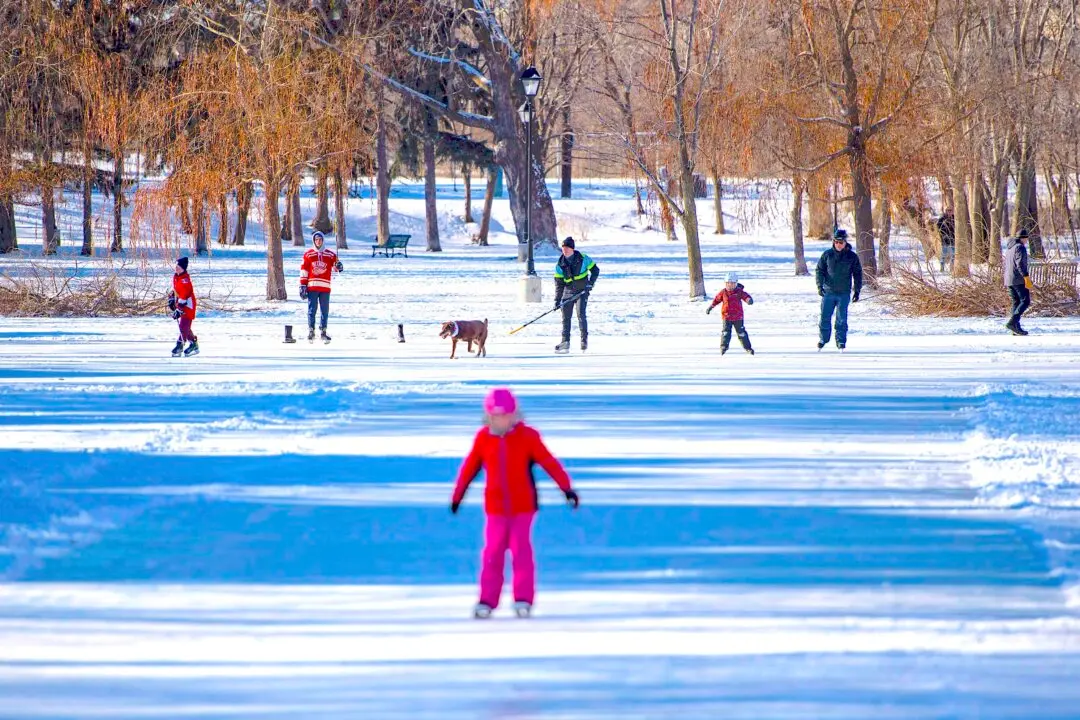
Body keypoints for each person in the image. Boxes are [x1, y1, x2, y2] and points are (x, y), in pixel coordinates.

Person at [450, 388, 580, 619]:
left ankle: (523, 599)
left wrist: (566, 488)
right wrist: (458, 495)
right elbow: (469, 468)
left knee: (521, 552)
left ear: (514, 414)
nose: (500, 421)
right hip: (495, 508)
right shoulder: (483, 438)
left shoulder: (528, 437)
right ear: (488, 415)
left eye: (505, 416)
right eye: (495, 416)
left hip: (523, 507)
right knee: (492, 553)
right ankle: (487, 600)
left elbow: (549, 463)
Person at [816, 227, 863, 351]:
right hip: (828, 292)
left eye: (841, 242)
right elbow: (819, 271)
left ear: (845, 243)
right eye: (836, 241)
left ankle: (841, 341)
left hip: (843, 293)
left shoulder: (852, 257)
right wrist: (820, 286)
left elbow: (857, 273)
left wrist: (857, 290)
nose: (838, 244)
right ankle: (823, 339)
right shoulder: (827, 255)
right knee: (825, 317)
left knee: (842, 318)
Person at [553, 237, 599, 353]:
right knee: (565, 317)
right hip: (568, 292)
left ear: (572, 249)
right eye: (563, 248)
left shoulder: (583, 258)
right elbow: (559, 285)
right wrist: (557, 301)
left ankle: (584, 340)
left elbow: (595, 270)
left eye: (567, 248)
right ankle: (565, 342)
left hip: (582, 291)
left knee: (581, 314)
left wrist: (590, 284)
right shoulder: (560, 264)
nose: (565, 250)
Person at [299, 230, 343, 344]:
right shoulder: (308, 254)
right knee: (312, 309)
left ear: (323, 240)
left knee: (324, 310)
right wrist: (303, 285)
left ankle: (323, 331)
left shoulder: (330, 254)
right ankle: (311, 331)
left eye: (320, 239)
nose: (318, 241)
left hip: (325, 287)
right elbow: (304, 270)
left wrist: (339, 265)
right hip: (312, 287)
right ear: (314, 241)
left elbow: (336, 267)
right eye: (316, 240)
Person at [706, 272, 755, 355]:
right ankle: (724, 347)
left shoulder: (739, 292)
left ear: (736, 284)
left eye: (732, 284)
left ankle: (748, 348)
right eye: (728, 284)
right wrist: (711, 307)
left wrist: (748, 300)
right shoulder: (723, 292)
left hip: (738, 317)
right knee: (725, 332)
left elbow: (745, 296)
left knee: (741, 333)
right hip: (726, 316)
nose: (730, 286)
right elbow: (717, 300)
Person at [1003, 228, 1033, 336]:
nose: (1026, 241)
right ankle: (1012, 322)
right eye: (1026, 239)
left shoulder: (1010, 248)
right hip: (1018, 279)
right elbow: (1020, 264)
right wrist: (1026, 276)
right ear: (1023, 238)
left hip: (1009, 279)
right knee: (1025, 301)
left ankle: (1015, 327)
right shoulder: (1020, 247)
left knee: (1016, 302)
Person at [169, 256, 199, 357]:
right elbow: (176, 290)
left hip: (188, 305)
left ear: (183, 268)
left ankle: (180, 344)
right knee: (186, 326)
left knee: (183, 325)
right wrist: (172, 298)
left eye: (179, 267)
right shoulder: (176, 277)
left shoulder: (185, 280)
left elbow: (185, 295)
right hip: (181, 303)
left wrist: (179, 309)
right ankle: (194, 344)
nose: (176, 268)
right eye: (176, 266)